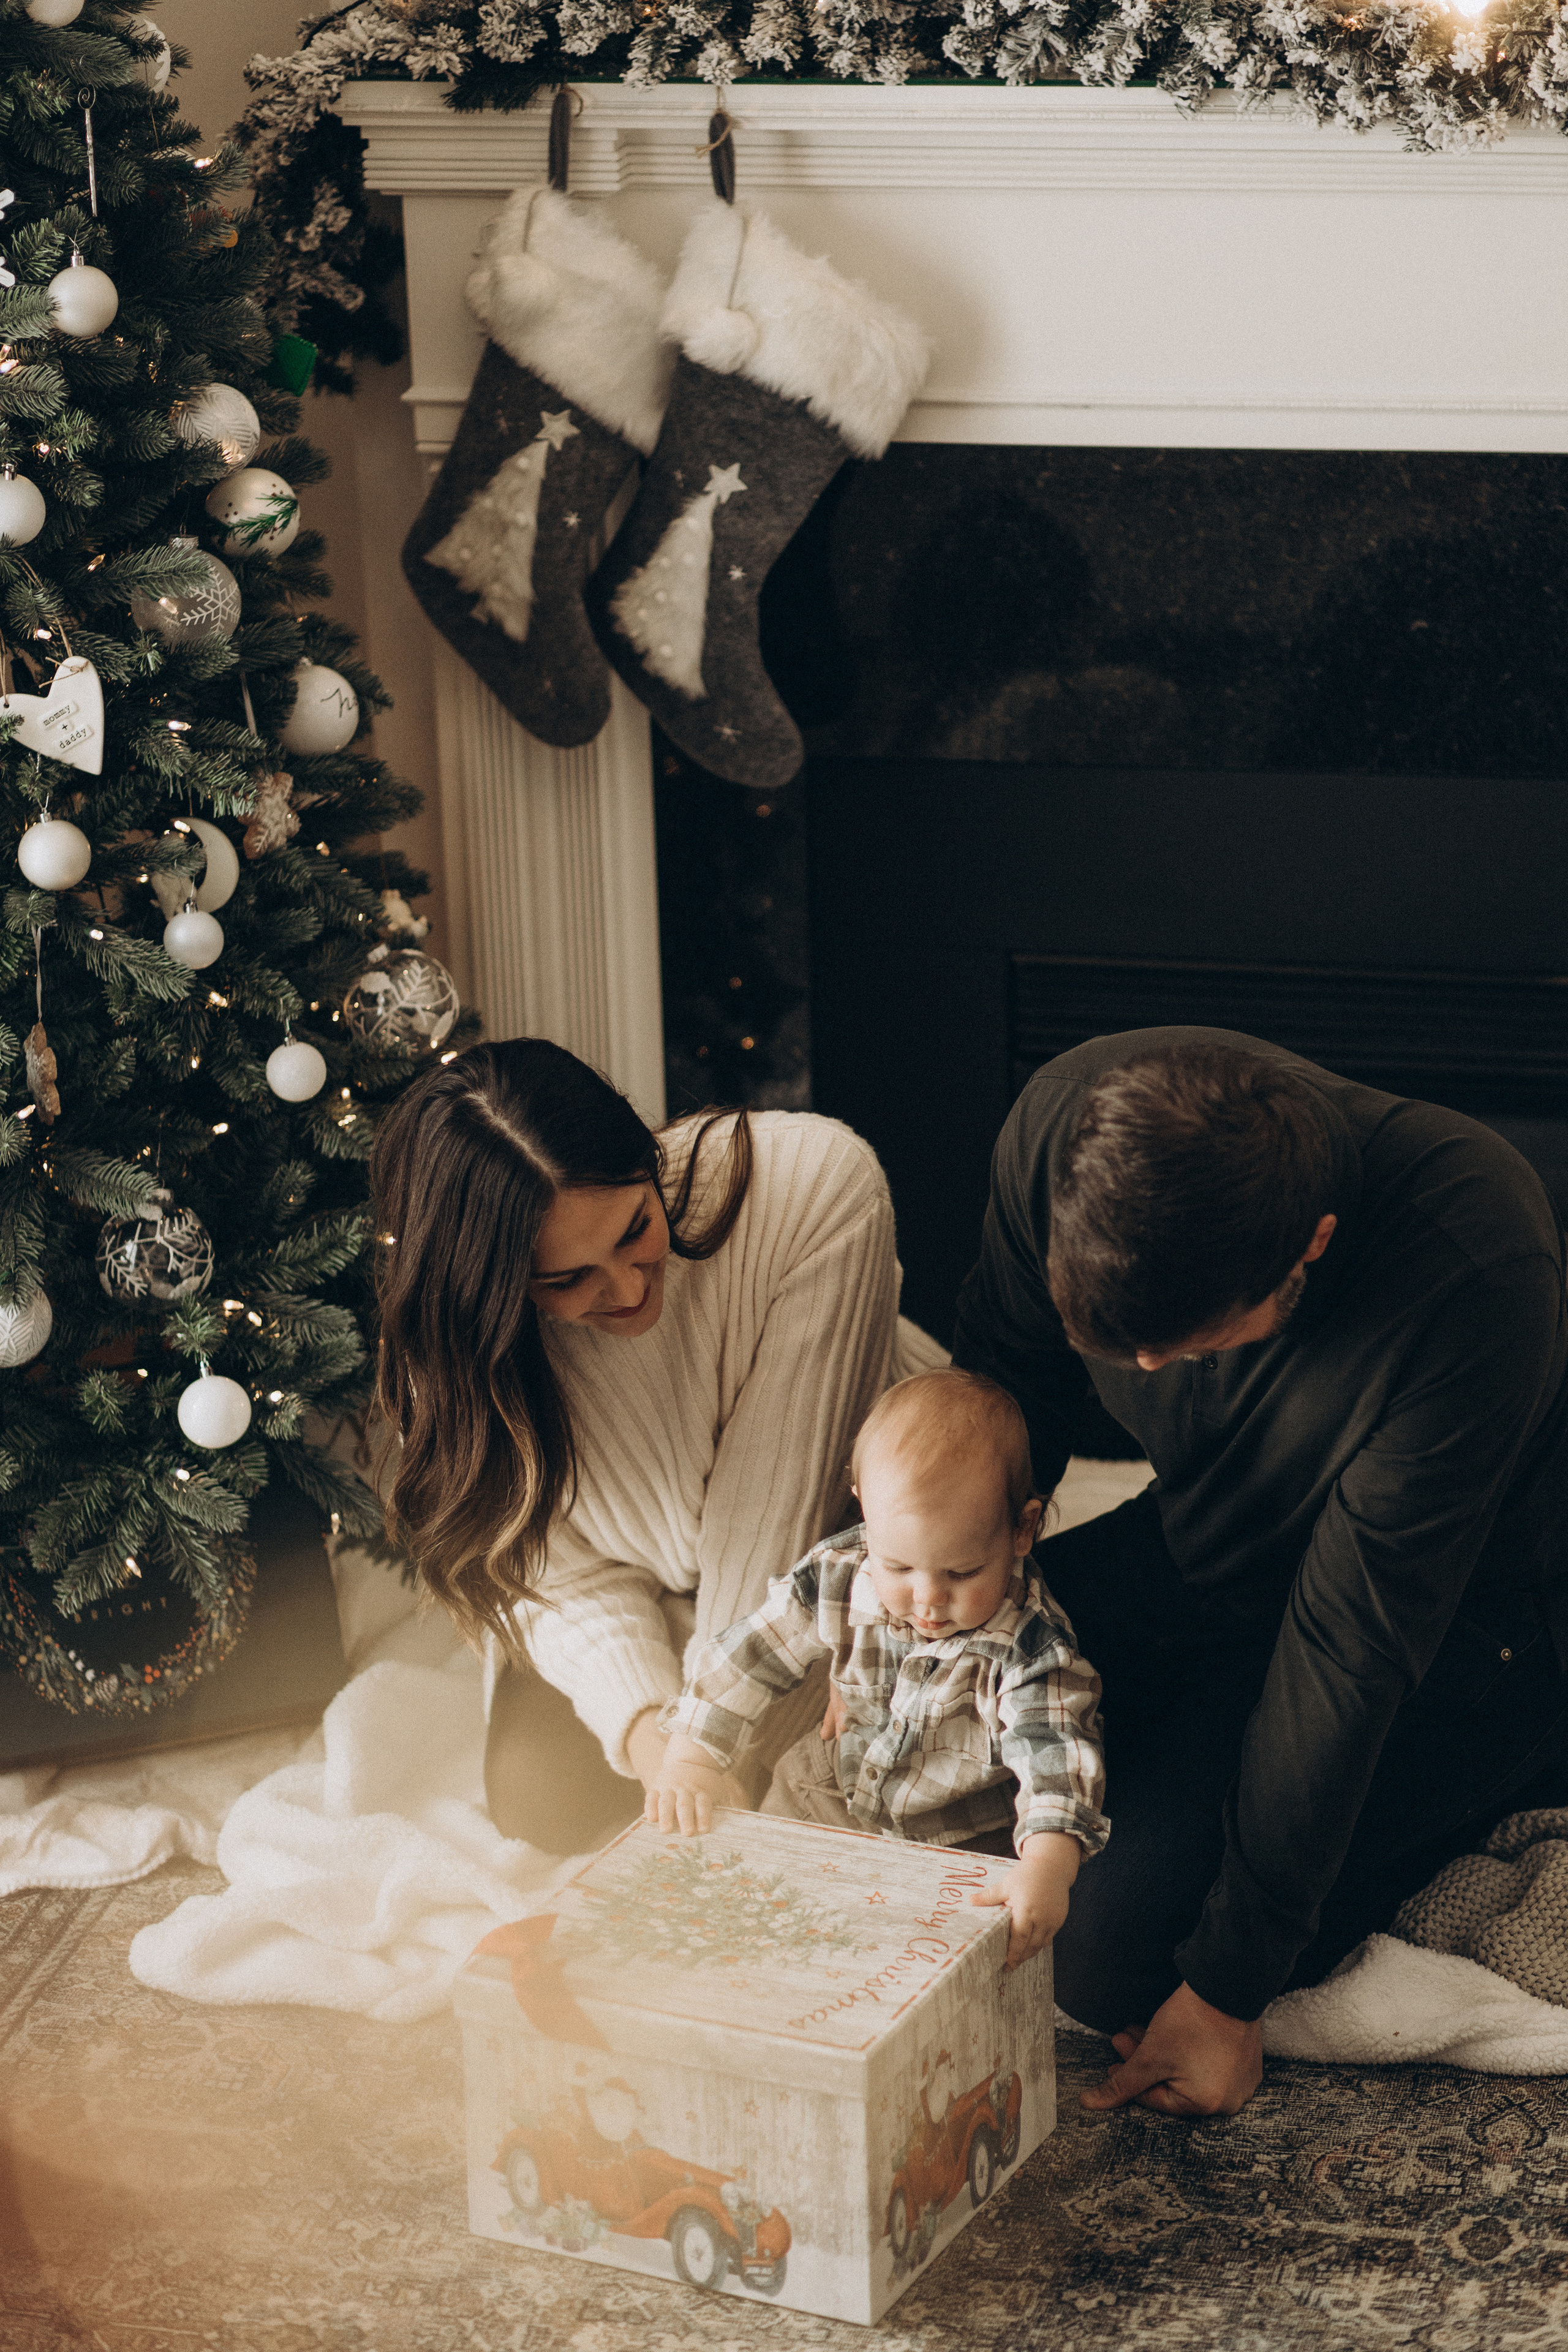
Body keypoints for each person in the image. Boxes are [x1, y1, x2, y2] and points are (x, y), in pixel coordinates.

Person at [952, 1026, 1568, 2119]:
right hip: (1208, 1541)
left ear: (1310, 1249)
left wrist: (1232, 1991)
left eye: (1185, 1347)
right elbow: (1002, 1392)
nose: (1143, 1373)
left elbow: (1347, 1652)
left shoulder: (1476, 1256)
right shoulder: (1057, 1124)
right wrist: (921, 1600)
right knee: (933, 1747)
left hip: (1461, 1621)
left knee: (1110, 1963)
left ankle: (1514, 1764)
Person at [370, 1038, 943, 1852]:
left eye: (636, 1228)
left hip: (830, 1560)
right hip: (657, 1591)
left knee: (900, 1780)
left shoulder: (817, 1185)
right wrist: (653, 1743)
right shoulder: (461, 1362)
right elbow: (552, 1573)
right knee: (541, 1799)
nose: (632, 1290)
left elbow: (778, 1521)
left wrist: (709, 1747)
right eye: (568, 1281)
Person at [649, 1368, 1109, 1969]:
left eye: (960, 1573)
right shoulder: (840, 1572)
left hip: (959, 1836)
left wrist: (1046, 1865)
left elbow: (1057, 1765)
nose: (926, 1599)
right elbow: (749, 1655)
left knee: (927, 1953)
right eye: (898, 1567)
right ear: (863, 1503)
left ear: (1023, 1528)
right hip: (834, 1785)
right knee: (754, 1871)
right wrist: (692, 1754)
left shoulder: (1032, 1653)